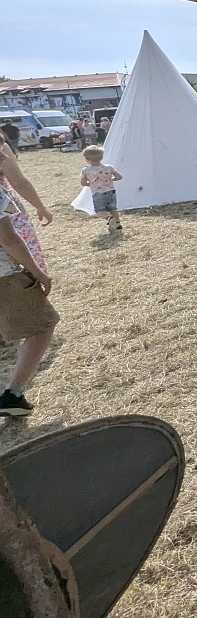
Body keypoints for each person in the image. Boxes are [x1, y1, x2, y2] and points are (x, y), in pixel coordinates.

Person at [0, 184, 59, 418]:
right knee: (43, 326)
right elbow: (8, 239)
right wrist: (37, 272)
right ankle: (13, 394)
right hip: (4, 276)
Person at [0, 125, 52, 273]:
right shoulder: (2, 146)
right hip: (6, 209)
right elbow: (19, 182)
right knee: (20, 252)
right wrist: (41, 207)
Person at [80, 145, 124, 233]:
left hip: (98, 193)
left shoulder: (86, 170)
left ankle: (109, 218)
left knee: (99, 211)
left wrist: (91, 184)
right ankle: (118, 224)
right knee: (113, 209)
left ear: (87, 159)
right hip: (111, 191)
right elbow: (119, 177)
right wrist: (111, 179)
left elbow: (83, 183)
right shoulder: (109, 167)